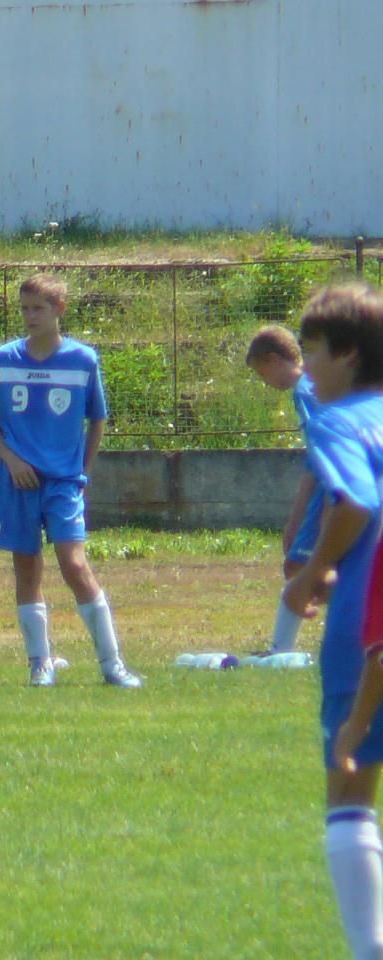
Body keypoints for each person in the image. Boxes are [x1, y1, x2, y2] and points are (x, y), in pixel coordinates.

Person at [278, 284, 383, 960]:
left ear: (346, 353)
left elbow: (356, 502)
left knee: (349, 786)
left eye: (311, 350)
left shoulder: (336, 420)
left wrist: (312, 571)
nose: (305, 367)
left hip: (365, 622)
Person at [0, 273, 140, 688]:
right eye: (24, 308)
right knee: (26, 568)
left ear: (59, 310)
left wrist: (81, 471)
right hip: (18, 482)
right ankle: (40, 663)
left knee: (74, 564)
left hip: (63, 482)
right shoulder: (5, 359)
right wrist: (12, 460)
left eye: (38, 308)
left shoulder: (82, 360)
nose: (30, 316)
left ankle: (112, 664)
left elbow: (97, 419)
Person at [245, 324, 325, 655]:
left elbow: (319, 454)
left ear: (273, 360)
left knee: (296, 564)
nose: (266, 382)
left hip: (329, 486)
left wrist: (296, 516)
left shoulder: (303, 391)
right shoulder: (319, 382)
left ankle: (280, 650)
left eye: (262, 373)